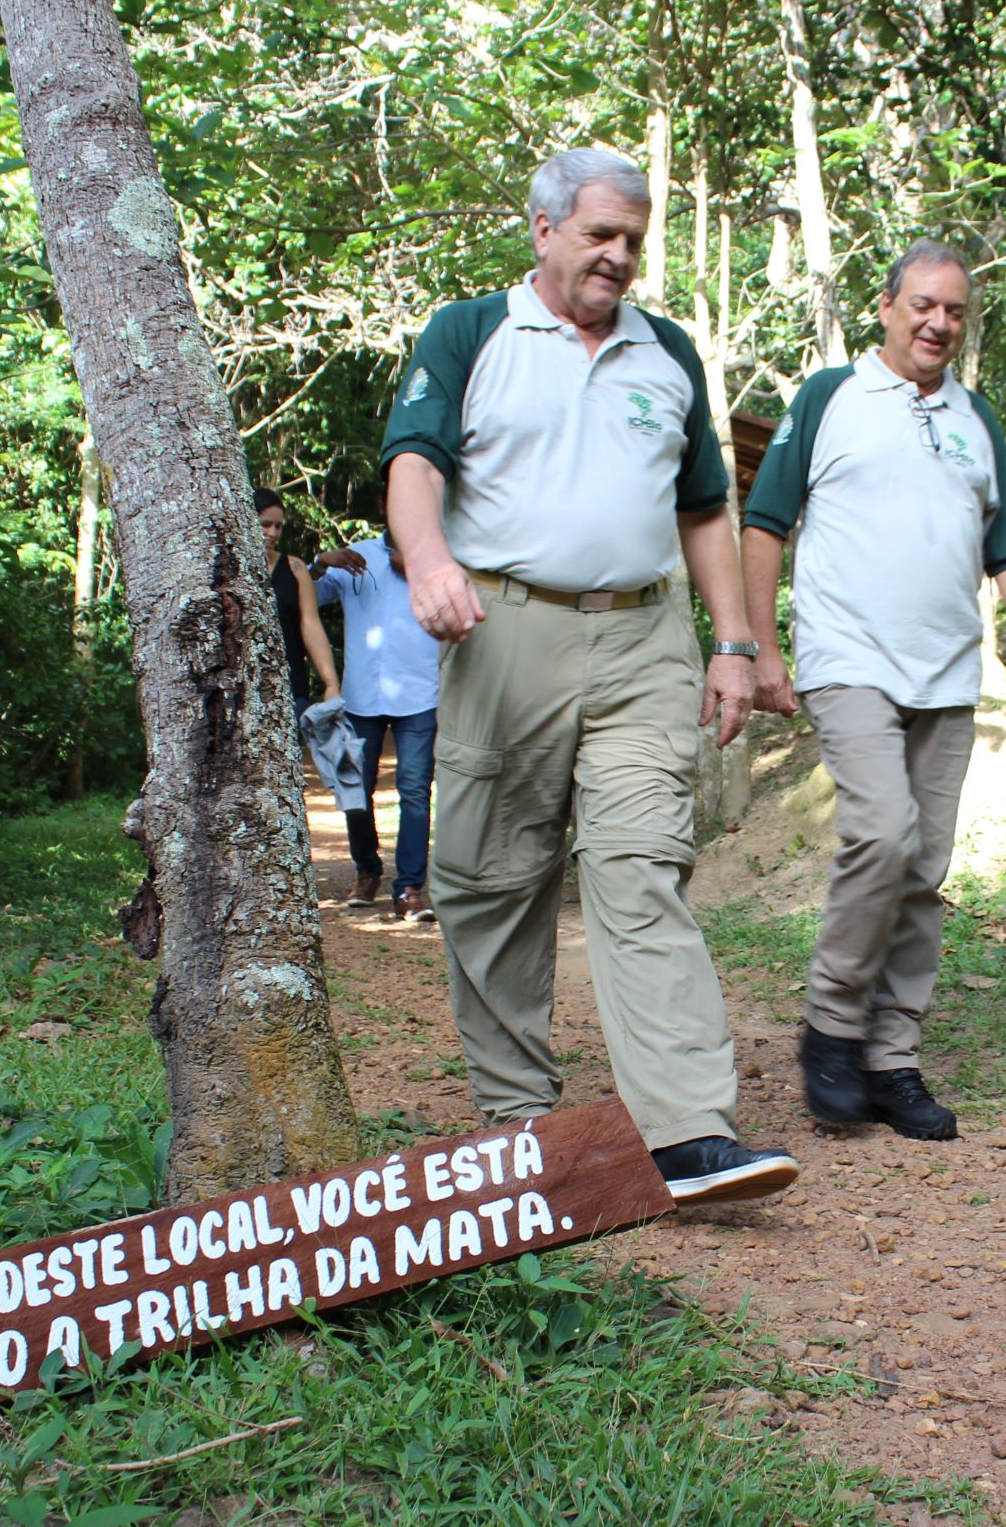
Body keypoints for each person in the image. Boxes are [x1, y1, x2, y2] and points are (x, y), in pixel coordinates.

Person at [380, 147, 799, 1205]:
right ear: (543, 229)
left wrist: (735, 643)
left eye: (632, 241)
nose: (617, 258)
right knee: (492, 878)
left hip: (643, 640)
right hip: (503, 630)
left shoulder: (667, 353)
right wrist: (427, 561)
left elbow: (704, 507)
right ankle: (518, 1127)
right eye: (599, 235)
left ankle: (687, 1131)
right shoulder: (470, 332)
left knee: (640, 866)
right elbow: (414, 463)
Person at [741, 240, 1006, 1142]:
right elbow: (764, 525)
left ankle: (891, 1056)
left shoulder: (974, 418)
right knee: (881, 834)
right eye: (922, 305)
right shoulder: (828, 397)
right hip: (848, 657)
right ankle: (832, 1030)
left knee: (924, 866)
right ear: (884, 307)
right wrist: (760, 647)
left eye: (955, 311)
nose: (938, 323)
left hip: (947, 666)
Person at [312, 509, 441, 923]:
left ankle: (408, 888)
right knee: (355, 788)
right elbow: (307, 599)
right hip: (362, 695)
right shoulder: (356, 557)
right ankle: (367, 870)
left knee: (415, 792)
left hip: (420, 692)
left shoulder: (442, 556)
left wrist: (422, 567)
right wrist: (320, 563)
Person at [256, 487, 340, 717]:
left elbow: (311, 625)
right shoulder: (227, 568)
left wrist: (331, 684)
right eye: (265, 524)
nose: (272, 533)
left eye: (278, 526)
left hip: (291, 688)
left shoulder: (295, 568)